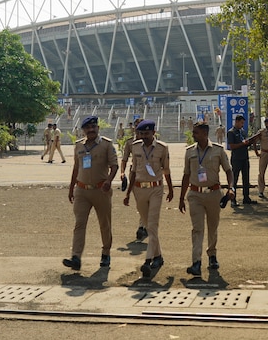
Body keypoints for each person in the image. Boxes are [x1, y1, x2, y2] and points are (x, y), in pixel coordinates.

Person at [178, 121, 235, 277]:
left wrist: (231, 188)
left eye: (196, 132)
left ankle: (212, 255)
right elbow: (186, 175)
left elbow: (228, 171)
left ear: (204, 133)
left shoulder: (218, 150)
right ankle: (196, 262)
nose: (193, 135)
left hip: (214, 194)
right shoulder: (189, 152)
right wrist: (181, 197)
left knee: (212, 226)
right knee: (197, 229)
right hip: (195, 194)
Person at [64, 115, 118, 271]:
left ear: (98, 128)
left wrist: (109, 180)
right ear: (83, 131)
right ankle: (76, 257)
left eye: (93, 127)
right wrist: (71, 187)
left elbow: (114, 166)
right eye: (88, 128)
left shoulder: (106, 145)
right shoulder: (79, 146)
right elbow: (76, 168)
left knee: (104, 224)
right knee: (79, 224)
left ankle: (106, 253)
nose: (91, 130)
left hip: (101, 190)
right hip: (81, 191)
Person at [122, 120, 173, 279]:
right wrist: (128, 193)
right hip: (139, 189)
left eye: (147, 134)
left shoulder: (162, 148)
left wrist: (171, 189)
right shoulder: (135, 146)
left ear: (153, 132)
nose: (144, 137)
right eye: (141, 134)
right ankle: (158, 257)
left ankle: (148, 260)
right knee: (148, 225)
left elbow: (166, 170)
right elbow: (133, 170)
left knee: (152, 225)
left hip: (156, 189)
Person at [227, 114, 257, 205]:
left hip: (245, 158)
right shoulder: (231, 132)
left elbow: (246, 142)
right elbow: (232, 146)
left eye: (243, 123)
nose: (242, 125)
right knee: (234, 179)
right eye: (241, 123)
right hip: (236, 158)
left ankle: (246, 197)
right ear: (236, 122)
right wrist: (242, 144)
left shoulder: (243, 132)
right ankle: (233, 199)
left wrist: (250, 142)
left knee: (246, 179)